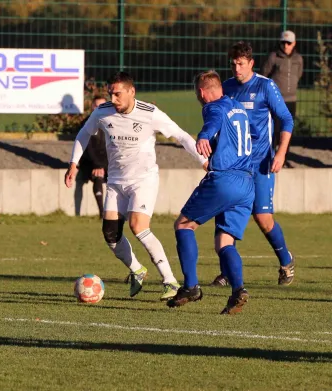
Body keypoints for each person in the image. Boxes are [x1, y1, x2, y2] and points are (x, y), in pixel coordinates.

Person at [64, 71, 208, 301]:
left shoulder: (150, 114)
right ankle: (138, 270)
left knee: (138, 225)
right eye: (111, 93)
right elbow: (83, 134)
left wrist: (203, 161)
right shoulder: (102, 113)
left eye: (118, 93)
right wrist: (73, 163)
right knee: (110, 234)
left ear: (132, 92)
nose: (114, 98)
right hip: (116, 181)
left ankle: (170, 281)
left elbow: (180, 136)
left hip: (143, 180)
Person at [167, 70, 255, 315]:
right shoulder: (238, 107)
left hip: (224, 179)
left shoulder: (212, 107)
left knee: (184, 226)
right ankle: (238, 290)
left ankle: (191, 287)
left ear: (203, 92)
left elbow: (212, 122)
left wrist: (204, 135)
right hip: (247, 184)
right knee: (224, 242)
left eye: (198, 93)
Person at [212, 41, 295, 287]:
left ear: (251, 63)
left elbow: (286, 120)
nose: (236, 68)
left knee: (262, 217)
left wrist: (281, 153)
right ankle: (227, 272)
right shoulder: (226, 87)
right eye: (233, 64)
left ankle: (286, 261)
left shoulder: (265, 86)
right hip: (234, 164)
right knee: (226, 213)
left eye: (241, 64)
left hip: (261, 163)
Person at [261, 30, 303, 165]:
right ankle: (270, 156)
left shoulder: (298, 59)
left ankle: (285, 157)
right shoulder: (273, 57)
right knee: (274, 129)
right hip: (276, 100)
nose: (286, 46)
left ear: (294, 43)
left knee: (287, 129)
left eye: (289, 43)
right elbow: (264, 74)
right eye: (283, 43)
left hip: (291, 99)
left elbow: (299, 74)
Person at [75, 96, 109, 217]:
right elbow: (87, 148)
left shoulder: (113, 122)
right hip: (91, 162)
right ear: (92, 107)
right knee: (98, 177)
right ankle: (102, 213)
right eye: (96, 105)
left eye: (102, 105)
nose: (99, 108)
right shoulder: (86, 124)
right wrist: (98, 165)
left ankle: (120, 212)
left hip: (109, 161)